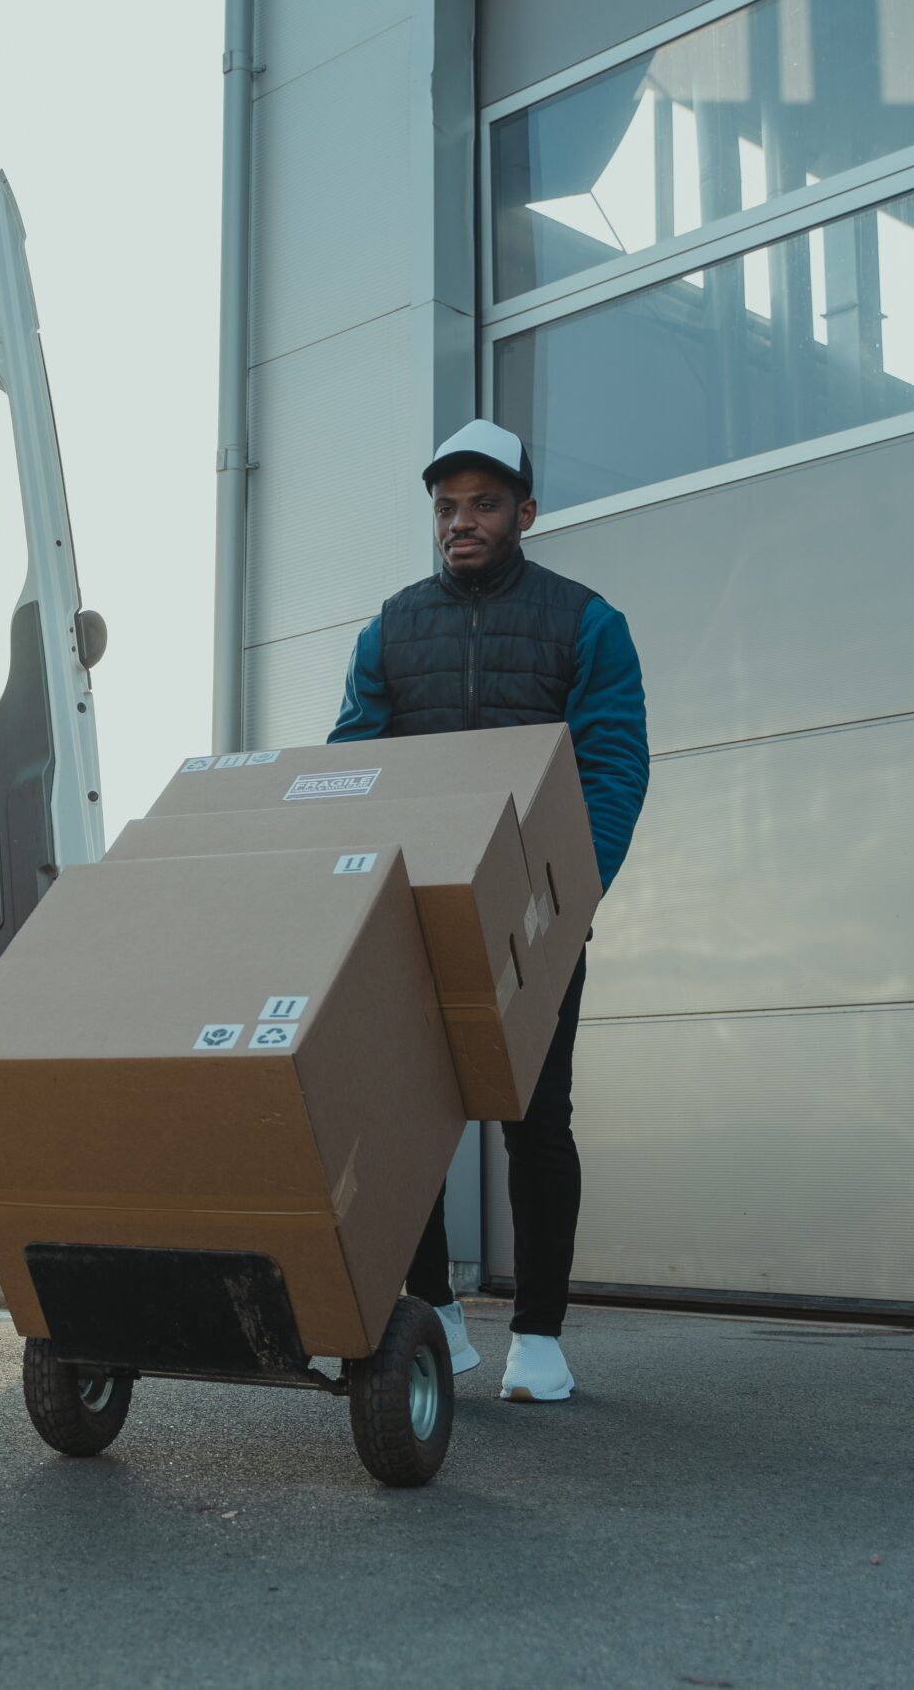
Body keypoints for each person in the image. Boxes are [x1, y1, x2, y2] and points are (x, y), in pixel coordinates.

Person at [328, 418, 649, 1404]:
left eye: (482, 503)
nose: (459, 522)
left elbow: (611, 766)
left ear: (525, 512)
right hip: (410, 915)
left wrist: (571, 897)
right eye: (446, 507)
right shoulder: (390, 628)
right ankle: (437, 1313)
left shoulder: (584, 622)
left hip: (534, 920)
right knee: (407, 1120)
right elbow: (353, 761)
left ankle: (540, 1340)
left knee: (533, 1119)